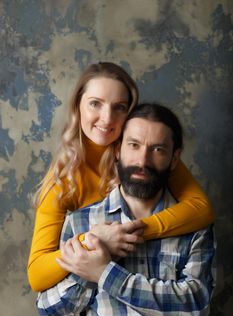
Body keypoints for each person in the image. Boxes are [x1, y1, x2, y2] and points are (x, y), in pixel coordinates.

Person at [37, 103, 216, 316]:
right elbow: (49, 312)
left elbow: (196, 303)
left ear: (174, 158)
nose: (143, 160)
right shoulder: (80, 223)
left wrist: (104, 274)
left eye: (158, 149)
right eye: (134, 145)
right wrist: (88, 263)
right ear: (118, 150)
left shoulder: (193, 225)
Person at [27, 62, 215, 292]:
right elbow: (37, 275)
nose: (107, 118)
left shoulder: (143, 155)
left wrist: (132, 231)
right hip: (102, 302)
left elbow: (201, 209)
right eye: (95, 104)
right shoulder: (64, 178)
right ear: (78, 106)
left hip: (160, 281)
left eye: (119, 107)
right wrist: (94, 240)